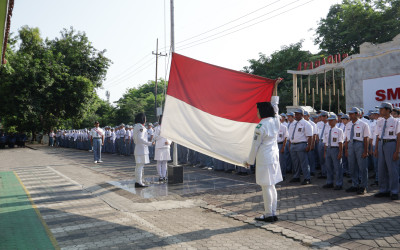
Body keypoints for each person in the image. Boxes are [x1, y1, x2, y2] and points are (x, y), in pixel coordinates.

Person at [245, 78, 282, 223]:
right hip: (274, 156)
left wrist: (249, 161)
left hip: (264, 158)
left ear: (262, 111)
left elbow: (255, 146)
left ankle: (268, 214)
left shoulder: (260, 127)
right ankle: (272, 212)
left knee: (266, 186)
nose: (257, 112)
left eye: (258, 110)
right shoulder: (276, 120)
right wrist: (275, 86)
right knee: (271, 185)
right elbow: (275, 104)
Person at [374, 102, 400, 200]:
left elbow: (398, 137)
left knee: (392, 169)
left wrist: (397, 151)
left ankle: (394, 191)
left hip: (391, 144)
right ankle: (383, 190)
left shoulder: (396, 121)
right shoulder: (379, 121)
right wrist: (376, 148)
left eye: (382, 109)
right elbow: (377, 136)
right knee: (381, 168)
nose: (380, 111)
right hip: (381, 144)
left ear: (388, 110)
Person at [344, 107, 370, 195]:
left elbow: (366, 138)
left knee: (362, 167)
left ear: (357, 114)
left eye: (352, 114)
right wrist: (346, 149)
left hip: (360, 144)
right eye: (350, 114)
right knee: (352, 166)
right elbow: (347, 138)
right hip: (351, 144)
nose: (350, 115)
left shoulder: (364, 124)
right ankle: (355, 185)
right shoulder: (348, 124)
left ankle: (363, 186)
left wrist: (366, 151)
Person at [288, 108, 313, 185]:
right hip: (293, 145)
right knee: (295, 162)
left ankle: (307, 178)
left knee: (304, 162)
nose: (296, 115)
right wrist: (290, 145)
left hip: (301, 144)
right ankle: (296, 176)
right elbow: (290, 135)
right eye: (295, 114)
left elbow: (310, 136)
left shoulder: (306, 124)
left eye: (298, 114)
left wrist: (309, 146)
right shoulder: (293, 124)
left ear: (302, 115)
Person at [323, 114, 344, 190]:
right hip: (328, 149)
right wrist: (325, 152)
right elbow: (325, 142)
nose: (330, 122)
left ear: (336, 121)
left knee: (337, 167)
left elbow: (340, 142)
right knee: (328, 167)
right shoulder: (327, 130)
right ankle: (329, 182)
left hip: (335, 149)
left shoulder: (339, 130)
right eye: (329, 120)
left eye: (331, 120)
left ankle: (339, 183)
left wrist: (340, 152)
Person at [133, 113, 153, 188]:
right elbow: (140, 138)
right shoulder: (141, 127)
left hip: (138, 148)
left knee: (138, 166)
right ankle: (139, 182)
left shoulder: (136, 126)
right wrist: (149, 143)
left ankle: (138, 181)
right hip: (141, 149)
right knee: (140, 166)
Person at [154, 115, 172, 182]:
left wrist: (169, 142)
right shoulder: (157, 128)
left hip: (166, 146)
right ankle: (160, 176)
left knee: (165, 162)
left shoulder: (168, 128)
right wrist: (161, 135)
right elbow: (155, 137)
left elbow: (171, 137)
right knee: (159, 162)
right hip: (159, 146)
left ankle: (164, 176)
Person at [277, 115, 289, 180]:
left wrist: (283, 147)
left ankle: (283, 175)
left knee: (282, 161)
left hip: (281, 144)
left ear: (280, 120)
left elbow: (285, 138)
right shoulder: (273, 127)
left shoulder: (284, 127)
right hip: (274, 145)